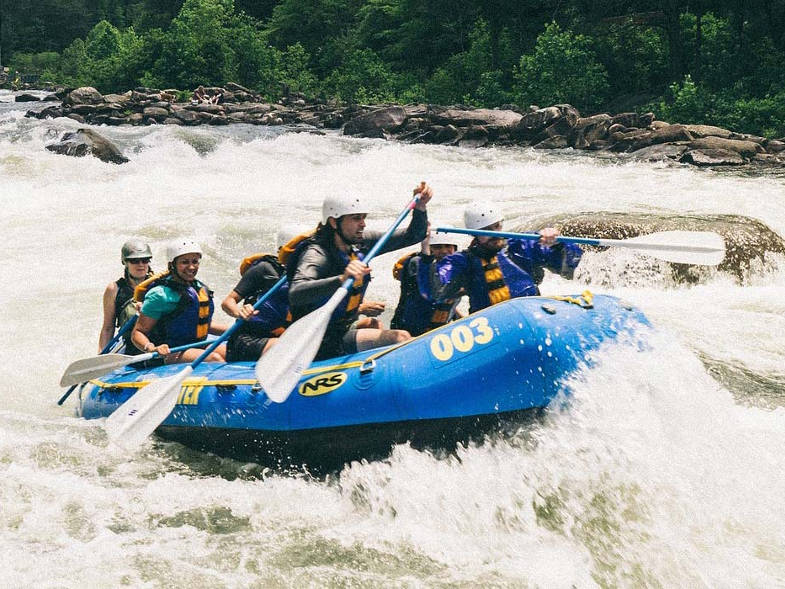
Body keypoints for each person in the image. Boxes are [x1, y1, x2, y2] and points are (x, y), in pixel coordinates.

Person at [285, 182, 433, 360]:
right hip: (313, 342)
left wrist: (420, 208)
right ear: (334, 222)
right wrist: (341, 279)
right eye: (356, 218)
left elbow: (414, 235)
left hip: (339, 333)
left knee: (378, 327)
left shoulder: (361, 243)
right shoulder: (317, 254)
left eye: (363, 217)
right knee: (400, 338)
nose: (363, 224)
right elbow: (296, 292)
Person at [433, 202, 582, 313]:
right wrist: (426, 257)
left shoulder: (523, 245)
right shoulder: (462, 261)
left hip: (530, 313)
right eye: (486, 230)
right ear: (474, 234)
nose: (494, 234)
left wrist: (558, 245)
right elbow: (435, 290)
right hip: (490, 327)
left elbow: (569, 266)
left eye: (496, 226)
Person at [131, 240, 228, 363]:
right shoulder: (159, 295)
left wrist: (238, 328)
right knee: (215, 359)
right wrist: (152, 348)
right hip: (169, 351)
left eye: (195, 261)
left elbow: (202, 323)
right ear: (172, 265)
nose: (191, 267)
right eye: (184, 262)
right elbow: (138, 333)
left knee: (232, 354)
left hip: (196, 344)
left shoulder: (198, 288)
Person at [220, 231, 294, 362]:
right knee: (284, 346)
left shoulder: (308, 275)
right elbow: (228, 302)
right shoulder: (264, 269)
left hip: (282, 337)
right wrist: (240, 312)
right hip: (248, 340)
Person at [390, 224, 463, 336]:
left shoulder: (456, 268)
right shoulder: (416, 264)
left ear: (455, 248)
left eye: (448, 246)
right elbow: (432, 292)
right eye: (438, 247)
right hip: (410, 333)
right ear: (429, 249)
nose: (444, 251)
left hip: (438, 331)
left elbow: (446, 302)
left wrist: (459, 317)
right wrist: (425, 253)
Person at [98, 240, 154, 352]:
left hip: (157, 345)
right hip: (130, 348)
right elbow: (108, 328)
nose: (141, 265)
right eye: (135, 261)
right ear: (125, 262)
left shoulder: (159, 286)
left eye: (145, 260)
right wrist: (101, 356)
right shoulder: (114, 289)